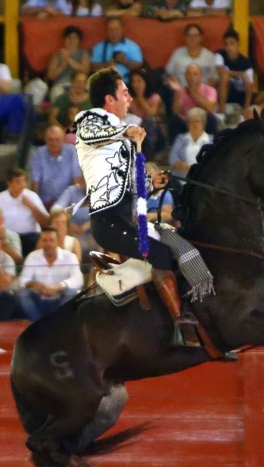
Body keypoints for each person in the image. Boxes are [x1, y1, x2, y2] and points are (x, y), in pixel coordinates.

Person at [75, 68, 195, 335]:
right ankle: (180, 325)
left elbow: (131, 185)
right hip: (108, 222)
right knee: (161, 254)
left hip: (122, 219)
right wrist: (125, 132)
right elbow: (93, 135)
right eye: (124, 93)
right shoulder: (87, 119)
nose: (129, 98)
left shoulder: (122, 135)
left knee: (173, 244)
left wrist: (153, 184)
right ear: (109, 99)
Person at [18, 226, 83, 321]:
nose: (48, 244)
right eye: (44, 240)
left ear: (57, 241)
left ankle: (57, 323)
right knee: (23, 293)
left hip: (60, 298)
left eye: (51, 240)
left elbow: (78, 279)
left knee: (72, 292)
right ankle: (37, 324)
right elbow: (22, 280)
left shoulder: (69, 257)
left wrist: (59, 286)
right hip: (39, 298)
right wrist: (34, 284)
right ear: (40, 241)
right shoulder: (32, 256)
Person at [216, 29, 264, 119]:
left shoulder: (246, 63)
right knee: (224, 76)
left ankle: (249, 113)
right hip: (226, 91)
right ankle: (222, 111)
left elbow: (249, 85)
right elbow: (220, 72)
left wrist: (246, 106)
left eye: (232, 43)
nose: (229, 47)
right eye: (226, 44)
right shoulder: (220, 55)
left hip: (241, 94)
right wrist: (241, 74)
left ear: (237, 44)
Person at [0, 168, 50, 256]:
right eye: (18, 181)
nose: (22, 185)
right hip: (8, 237)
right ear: (9, 183)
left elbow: (46, 222)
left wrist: (32, 207)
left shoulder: (32, 196)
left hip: (31, 236)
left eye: (24, 181)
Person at [168, 63, 219, 141]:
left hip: (204, 122)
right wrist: (178, 93)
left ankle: (212, 147)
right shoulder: (180, 91)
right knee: (174, 120)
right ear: (185, 77)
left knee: (211, 118)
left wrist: (192, 92)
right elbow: (175, 111)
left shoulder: (210, 90)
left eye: (195, 74)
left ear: (200, 76)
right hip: (186, 123)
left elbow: (211, 108)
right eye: (189, 74)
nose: (192, 77)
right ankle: (174, 147)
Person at [165, 23, 220, 89]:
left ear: (201, 37)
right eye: (189, 35)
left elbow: (215, 78)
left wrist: (204, 90)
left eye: (196, 35)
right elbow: (168, 72)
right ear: (185, 38)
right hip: (180, 91)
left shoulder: (209, 56)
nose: (192, 38)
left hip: (201, 93)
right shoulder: (177, 53)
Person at [90, 16, 143, 84]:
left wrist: (125, 61)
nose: (113, 33)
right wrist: (106, 65)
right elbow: (92, 68)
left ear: (122, 29)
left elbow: (139, 67)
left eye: (116, 29)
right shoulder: (99, 47)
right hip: (105, 83)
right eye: (110, 30)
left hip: (127, 83)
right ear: (106, 31)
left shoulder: (133, 46)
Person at [46, 25, 91, 103]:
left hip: (79, 86)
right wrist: (62, 66)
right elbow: (50, 76)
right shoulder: (57, 55)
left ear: (79, 40)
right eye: (69, 37)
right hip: (60, 85)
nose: (71, 40)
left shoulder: (84, 53)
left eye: (75, 38)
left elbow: (85, 70)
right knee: (58, 95)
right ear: (64, 39)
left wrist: (69, 60)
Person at [128, 69, 165, 159]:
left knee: (149, 120)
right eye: (134, 81)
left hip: (152, 133)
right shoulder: (130, 99)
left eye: (139, 81)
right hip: (135, 131)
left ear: (146, 83)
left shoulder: (154, 97)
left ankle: (149, 155)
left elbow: (151, 113)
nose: (136, 84)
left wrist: (140, 98)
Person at [169, 107, 213, 174]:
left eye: (197, 121)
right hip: (183, 177)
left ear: (203, 124)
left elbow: (214, 160)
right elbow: (172, 158)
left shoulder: (211, 140)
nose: (195, 124)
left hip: (204, 178)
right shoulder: (181, 138)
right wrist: (183, 166)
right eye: (192, 121)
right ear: (188, 124)